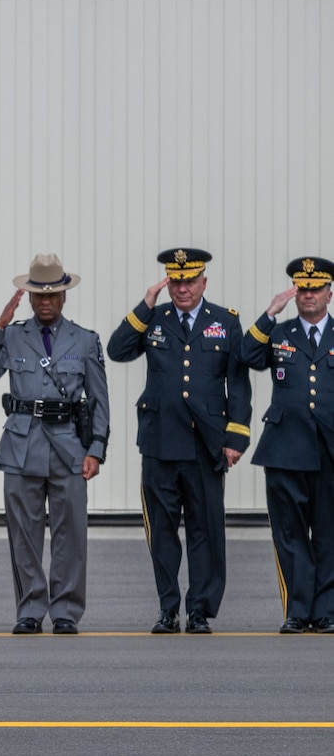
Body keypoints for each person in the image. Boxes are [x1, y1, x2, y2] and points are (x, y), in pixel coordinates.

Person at [107, 248, 252, 634]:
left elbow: (237, 384)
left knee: (206, 529)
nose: (182, 288)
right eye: (175, 281)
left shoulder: (224, 321)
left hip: (206, 445)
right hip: (159, 442)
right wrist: (145, 303)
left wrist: (236, 436)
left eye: (189, 281)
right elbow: (117, 350)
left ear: (204, 281)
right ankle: (168, 608)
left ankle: (200, 609)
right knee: (163, 531)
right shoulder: (153, 319)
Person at [0, 254, 110, 635]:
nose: (45, 301)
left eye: (52, 295)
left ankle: (65, 611)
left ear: (64, 296)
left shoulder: (85, 340)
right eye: (39, 295)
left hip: (69, 448)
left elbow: (99, 400)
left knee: (71, 535)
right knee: (24, 535)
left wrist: (96, 449)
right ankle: (30, 609)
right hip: (21, 447)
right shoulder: (13, 333)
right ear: (30, 296)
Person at [237, 257, 334, 633]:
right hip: (285, 448)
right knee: (290, 534)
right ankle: (297, 610)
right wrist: (268, 314)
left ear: (329, 292)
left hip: (328, 451)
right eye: (302, 289)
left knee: (328, 534)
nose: (308, 295)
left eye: (315, 288)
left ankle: (326, 610)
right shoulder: (279, 332)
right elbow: (245, 356)